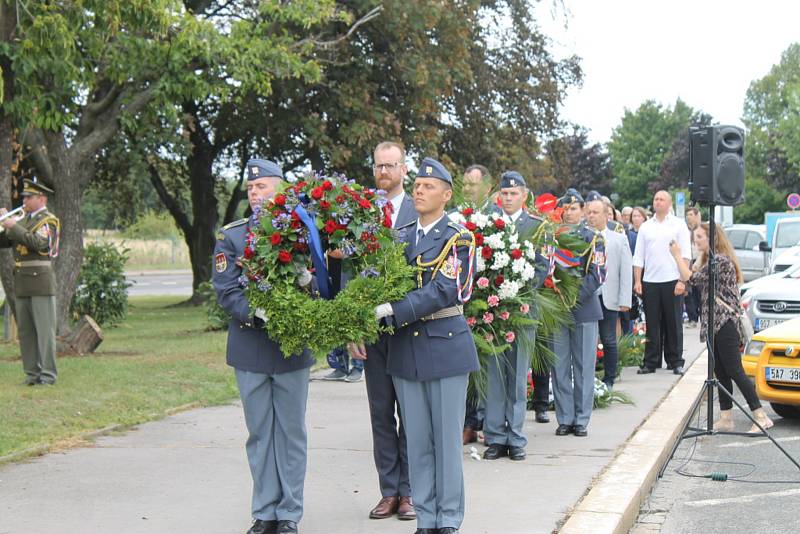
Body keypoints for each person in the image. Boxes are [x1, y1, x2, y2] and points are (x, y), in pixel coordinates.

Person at [351, 157, 478, 534]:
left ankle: (449, 518)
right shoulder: (400, 236)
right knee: (418, 441)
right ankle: (426, 516)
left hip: (444, 345)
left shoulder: (459, 237)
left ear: (447, 194)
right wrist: (359, 318)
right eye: (418, 185)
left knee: (445, 443)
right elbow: (374, 283)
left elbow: (446, 290)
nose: (420, 191)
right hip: (405, 349)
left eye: (429, 186)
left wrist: (394, 309)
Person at [213, 159, 314, 534]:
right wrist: (256, 314)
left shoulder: (305, 234)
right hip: (251, 345)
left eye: (263, 187)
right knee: (259, 433)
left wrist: (309, 285)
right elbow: (225, 290)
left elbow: (323, 286)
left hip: (291, 347)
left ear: (282, 191)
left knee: (291, 433)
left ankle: (289, 512)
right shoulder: (233, 237)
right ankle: (264, 510)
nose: (255, 194)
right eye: (251, 189)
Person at [350, 141, 417, 521]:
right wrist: (353, 326)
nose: (384, 172)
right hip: (372, 331)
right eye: (379, 166)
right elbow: (350, 273)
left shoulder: (416, 209)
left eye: (391, 166)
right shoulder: (360, 214)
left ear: (403, 169)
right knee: (380, 412)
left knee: (408, 413)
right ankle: (388, 491)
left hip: (407, 327)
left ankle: (409, 491)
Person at [670, 223, 773, 433]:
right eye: (695, 237)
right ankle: (726, 417)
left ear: (711, 238)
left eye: (699, 237)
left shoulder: (720, 261)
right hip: (713, 324)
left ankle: (761, 416)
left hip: (725, 323)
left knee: (735, 370)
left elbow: (692, 278)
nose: (695, 240)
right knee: (721, 371)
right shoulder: (710, 260)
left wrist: (676, 255)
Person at [483, 171, 542, 461]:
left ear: (524, 195)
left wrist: (518, 286)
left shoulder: (537, 226)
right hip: (493, 311)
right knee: (495, 375)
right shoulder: (488, 224)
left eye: (513, 193)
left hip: (523, 308)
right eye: (504, 194)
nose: (508, 198)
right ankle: (495, 436)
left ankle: (516, 437)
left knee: (518, 376)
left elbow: (543, 266)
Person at [551, 189, 605, 437]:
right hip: (557, 308)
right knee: (559, 366)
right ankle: (565, 418)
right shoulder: (551, 236)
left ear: (583, 210)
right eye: (566, 208)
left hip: (584, 308)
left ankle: (581, 419)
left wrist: (573, 294)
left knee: (583, 366)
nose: (570, 212)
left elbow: (598, 274)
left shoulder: (594, 238)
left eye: (574, 208)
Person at [0, 178, 60, 386]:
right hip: (23, 281)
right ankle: (32, 374)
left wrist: (14, 227)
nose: (24, 200)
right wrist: (4, 224)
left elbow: (40, 244)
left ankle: (48, 375)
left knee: (44, 332)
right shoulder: (23, 219)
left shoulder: (48, 220)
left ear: (41, 198)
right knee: (26, 332)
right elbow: (6, 242)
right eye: (24, 196)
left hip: (41, 281)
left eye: (29, 197)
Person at [633, 191, 690, 376]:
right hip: (650, 280)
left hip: (672, 279)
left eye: (661, 199)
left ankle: (675, 361)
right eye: (655, 199)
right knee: (652, 323)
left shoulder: (678, 225)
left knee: (673, 323)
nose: (657, 202)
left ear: (669, 203)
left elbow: (685, 255)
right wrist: (637, 280)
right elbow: (639, 256)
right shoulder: (645, 227)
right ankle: (651, 361)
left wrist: (682, 280)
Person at [585, 196, 632, 389]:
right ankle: (589, 377)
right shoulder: (582, 237)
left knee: (609, 339)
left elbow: (625, 270)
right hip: (588, 295)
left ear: (606, 215)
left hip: (609, 296)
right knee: (588, 341)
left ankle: (610, 378)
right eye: (589, 212)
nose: (591, 216)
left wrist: (625, 300)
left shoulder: (619, 239)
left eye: (595, 212)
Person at [683, 207, 702, 328]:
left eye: (690, 214)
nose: (688, 217)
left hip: (698, 261)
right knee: (688, 291)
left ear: (696, 215)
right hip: (687, 260)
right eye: (687, 214)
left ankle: (701, 315)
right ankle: (692, 318)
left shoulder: (701, 229)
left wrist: (699, 263)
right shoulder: (684, 230)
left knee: (699, 290)